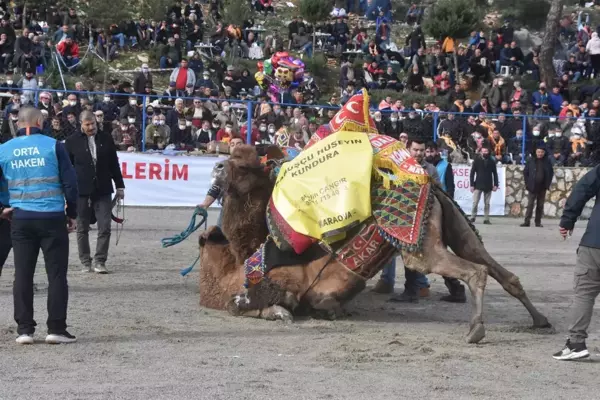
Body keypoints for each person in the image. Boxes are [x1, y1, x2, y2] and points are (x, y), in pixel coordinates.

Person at [0, 107, 78, 345]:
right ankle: (56, 328)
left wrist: (1, 209)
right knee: (56, 274)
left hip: (20, 218)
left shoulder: (4, 149)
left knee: (22, 274)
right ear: (38, 121)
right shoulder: (54, 145)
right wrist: (72, 213)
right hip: (52, 217)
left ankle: (24, 330)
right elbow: (70, 183)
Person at [372, 139, 435, 302]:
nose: (419, 153)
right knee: (391, 250)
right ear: (409, 149)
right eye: (416, 150)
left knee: (414, 255)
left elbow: (438, 194)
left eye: (422, 150)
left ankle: (419, 286)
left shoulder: (431, 170)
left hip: (420, 220)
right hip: (399, 218)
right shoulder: (398, 167)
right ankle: (389, 281)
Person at [65, 111, 125, 274]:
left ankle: (100, 261)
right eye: (87, 124)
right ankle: (85, 261)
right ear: (81, 124)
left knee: (105, 226)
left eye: (93, 123)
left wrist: (120, 186)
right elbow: (66, 169)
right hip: (81, 191)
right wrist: (66, 191)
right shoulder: (71, 142)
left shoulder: (106, 138)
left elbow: (114, 163)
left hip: (103, 189)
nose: (91, 127)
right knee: (82, 228)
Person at [553, 165, 600, 361]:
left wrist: (567, 220)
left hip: (595, 242)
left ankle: (576, 343)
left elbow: (582, 189)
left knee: (584, 293)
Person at [424, 141, 466, 303]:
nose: (429, 153)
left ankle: (456, 288)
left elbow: (451, 188)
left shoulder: (444, 166)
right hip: (431, 211)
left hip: (440, 210)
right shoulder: (423, 166)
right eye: (427, 150)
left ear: (437, 152)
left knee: (439, 252)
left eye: (431, 150)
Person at [197, 138, 244, 227]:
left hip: (249, 210)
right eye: (232, 145)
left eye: (239, 144)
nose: (235, 147)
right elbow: (216, 188)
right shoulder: (223, 166)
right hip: (228, 208)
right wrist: (205, 204)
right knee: (220, 237)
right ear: (229, 148)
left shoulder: (255, 166)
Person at [520, 144, 554, 228]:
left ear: (544, 153)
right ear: (536, 152)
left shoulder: (547, 161)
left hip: (542, 187)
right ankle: (526, 221)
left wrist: (547, 184)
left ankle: (538, 222)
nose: (540, 154)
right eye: (538, 152)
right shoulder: (531, 160)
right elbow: (525, 172)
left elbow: (550, 173)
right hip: (532, 186)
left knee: (540, 205)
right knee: (530, 204)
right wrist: (527, 183)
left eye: (542, 152)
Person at [469, 144, 499, 224]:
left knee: (487, 203)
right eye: (483, 151)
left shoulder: (492, 161)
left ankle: (486, 219)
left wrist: (496, 184)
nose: (484, 153)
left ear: (488, 152)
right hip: (478, 184)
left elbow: (495, 174)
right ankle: (472, 217)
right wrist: (471, 185)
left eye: (486, 151)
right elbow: (472, 173)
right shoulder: (477, 160)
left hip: (488, 184)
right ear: (480, 152)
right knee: (475, 202)